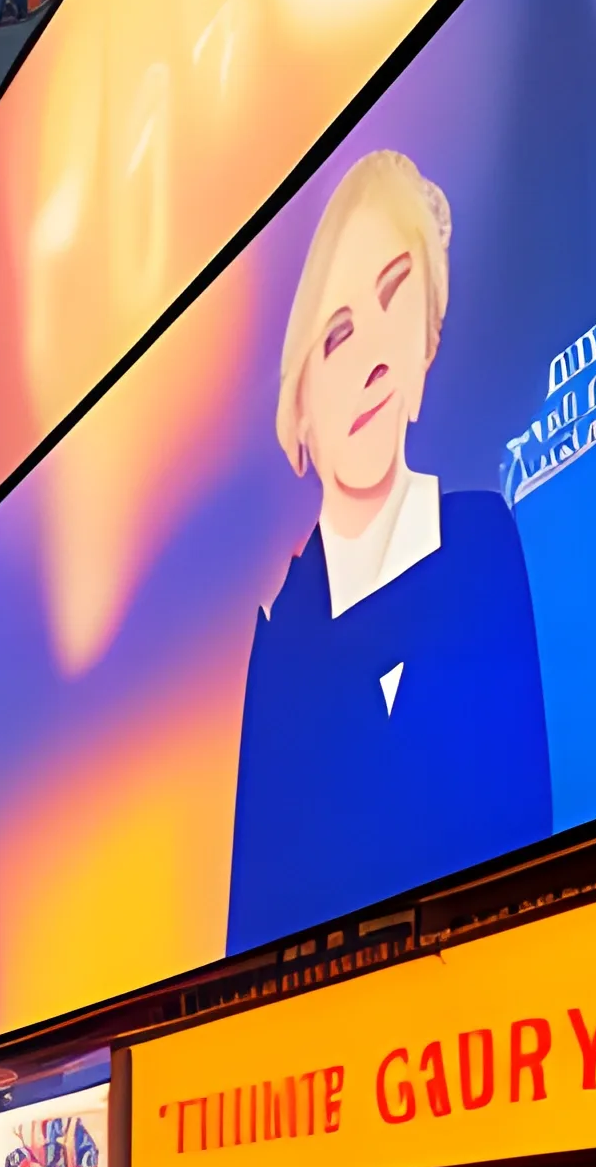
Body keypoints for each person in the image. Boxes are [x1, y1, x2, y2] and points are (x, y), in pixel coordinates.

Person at [228, 148, 551, 955]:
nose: (371, 360)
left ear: (429, 339)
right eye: (336, 336)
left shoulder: (482, 546)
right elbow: (250, 937)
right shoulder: (281, 636)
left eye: (395, 304)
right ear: (299, 397)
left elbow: (530, 845)